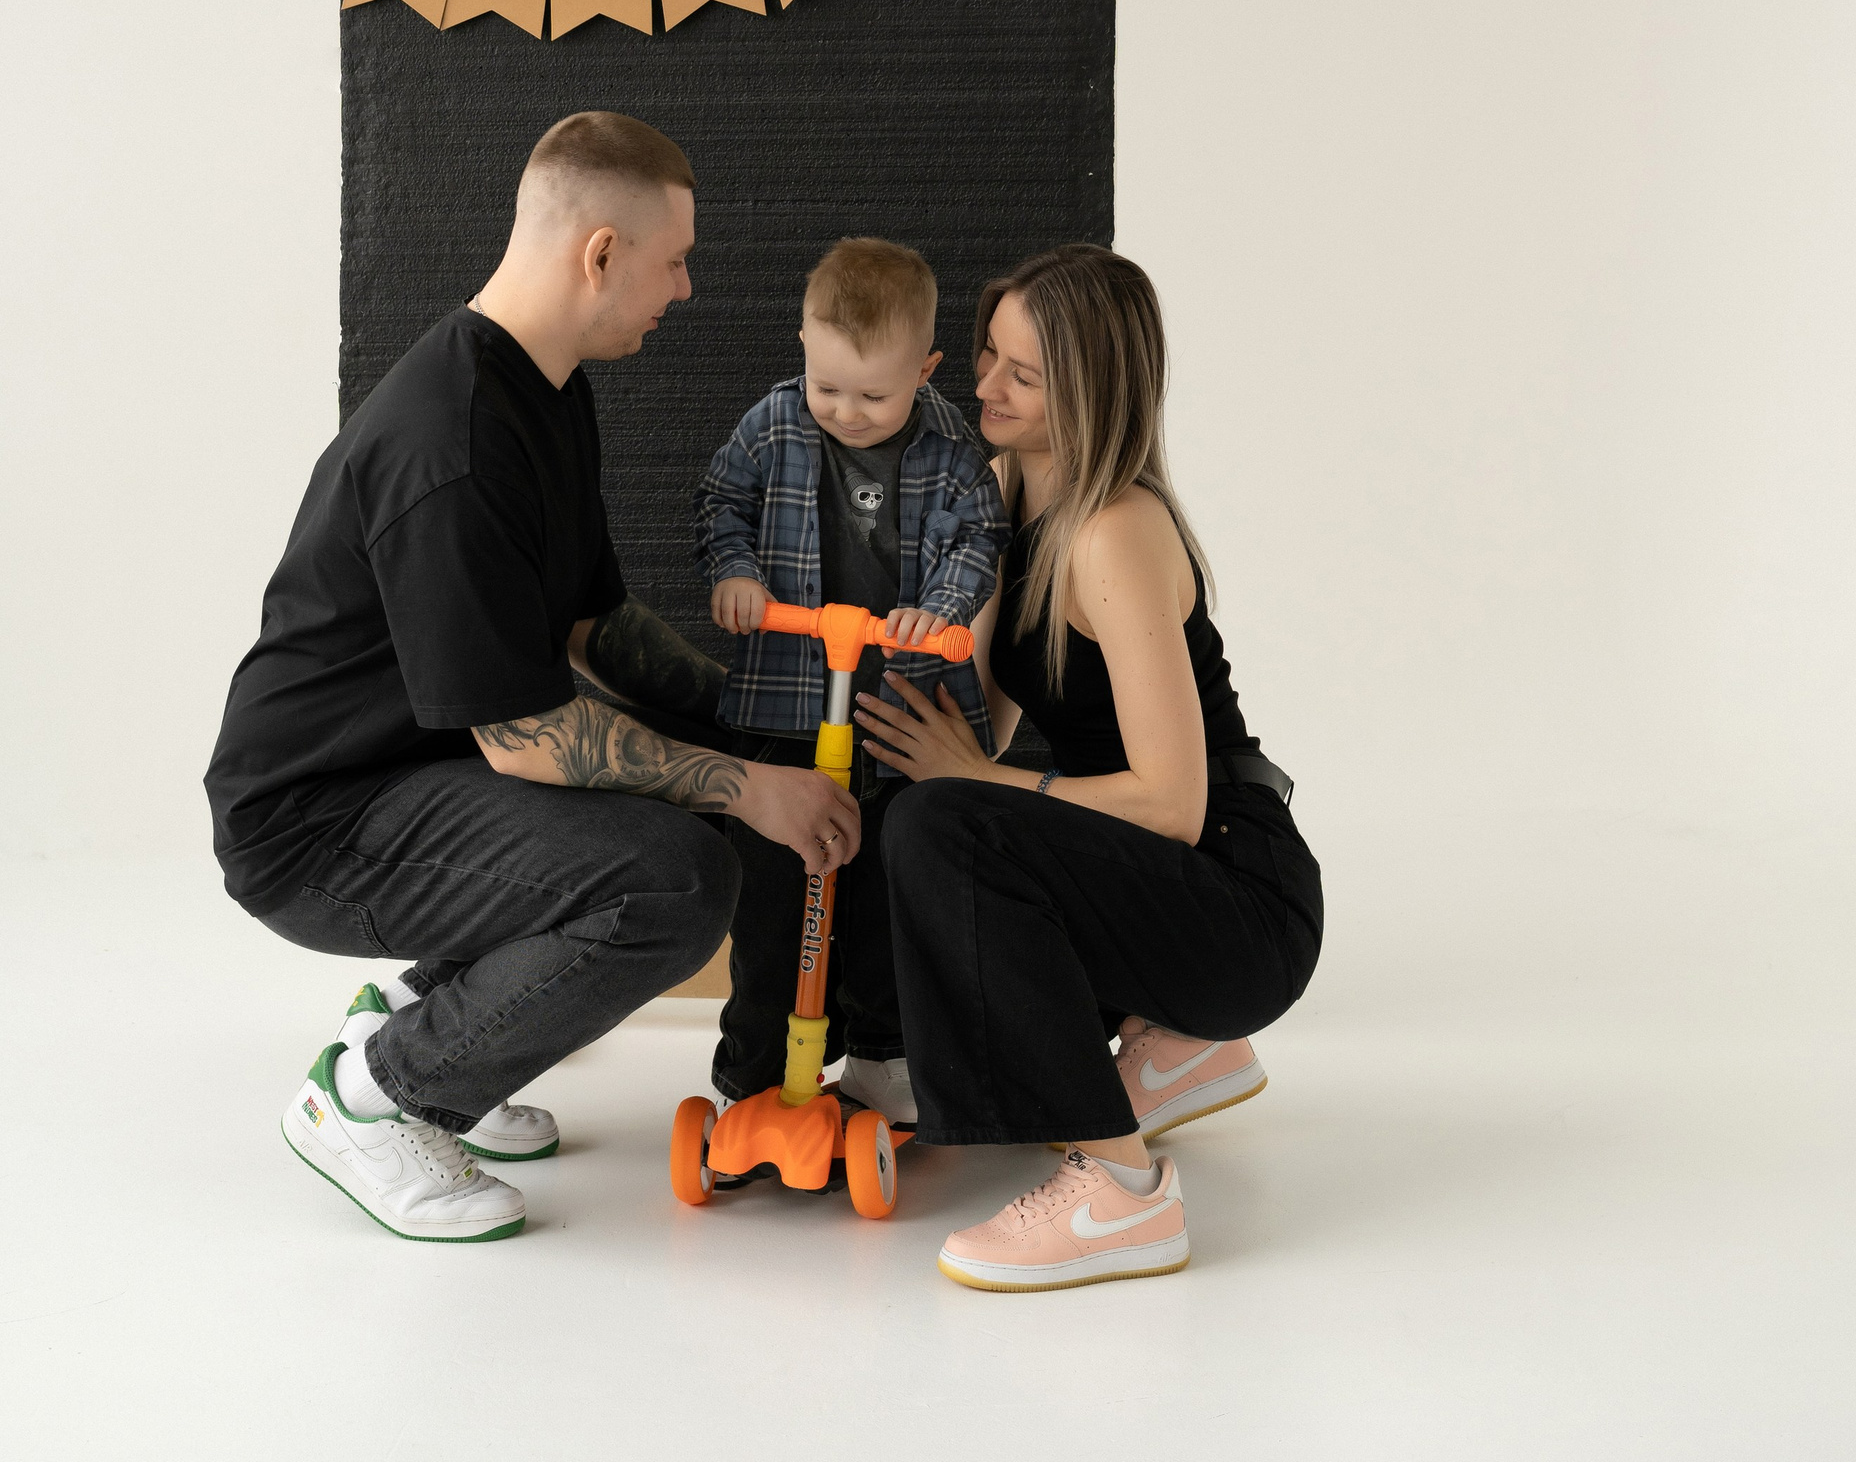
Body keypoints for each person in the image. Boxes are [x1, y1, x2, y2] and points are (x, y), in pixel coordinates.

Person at [204, 112, 861, 1246]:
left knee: (706, 787)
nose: (687, 288)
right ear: (600, 253)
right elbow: (527, 740)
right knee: (674, 881)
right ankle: (376, 1096)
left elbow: (595, 628)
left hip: (424, 774)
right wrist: (751, 790)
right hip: (318, 824)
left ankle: (422, 1012)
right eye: (674, 261)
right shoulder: (451, 439)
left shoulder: (546, 389)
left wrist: (755, 722)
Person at [858, 244, 1323, 1292]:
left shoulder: (1116, 532)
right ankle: (1175, 1046)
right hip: (1151, 880)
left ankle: (1123, 1193)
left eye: (1022, 375)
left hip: (1239, 898)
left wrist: (968, 783)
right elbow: (980, 722)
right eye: (988, 354)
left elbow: (1172, 802)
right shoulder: (1003, 490)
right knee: (907, 807)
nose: (986, 385)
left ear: (1090, 392)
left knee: (941, 823)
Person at [694, 237, 1007, 1126]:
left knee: (883, 899)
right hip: (785, 700)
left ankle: (881, 1057)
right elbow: (722, 502)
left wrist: (938, 609)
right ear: (802, 344)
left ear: (925, 369)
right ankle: (752, 1077)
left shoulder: (953, 449)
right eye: (828, 387)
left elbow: (979, 538)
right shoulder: (773, 423)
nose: (848, 412)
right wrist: (735, 572)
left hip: (900, 709)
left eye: (875, 395)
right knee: (770, 901)